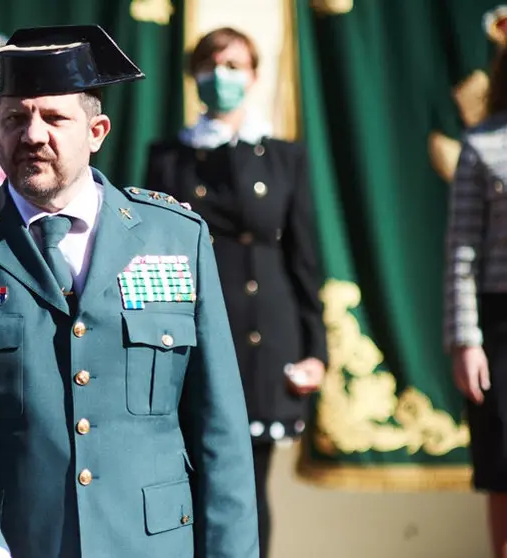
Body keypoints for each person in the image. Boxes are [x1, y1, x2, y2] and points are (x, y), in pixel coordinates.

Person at [0, 24, 259, 558]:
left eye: (55, 118)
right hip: (14, 542)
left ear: (97, 131)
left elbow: (219, 425)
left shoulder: (175, 237)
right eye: (15, 119)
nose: (33, 135)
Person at [144, 27, 328, 558]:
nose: (220, 76)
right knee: (187, 476)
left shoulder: (283, 157)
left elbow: (305, 259)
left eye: (233, 66)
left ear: (253, 76)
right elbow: (148, 249)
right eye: (210, 65)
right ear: (193, 75)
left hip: (262, 338)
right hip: (187, 333)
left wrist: (316, 350)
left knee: (246, 482)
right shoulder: (169, 156)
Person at [444, 43, 507, 558]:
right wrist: (466, 341)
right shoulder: (483, 142)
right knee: (503, 469)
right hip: (501, 323)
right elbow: (462, 249)